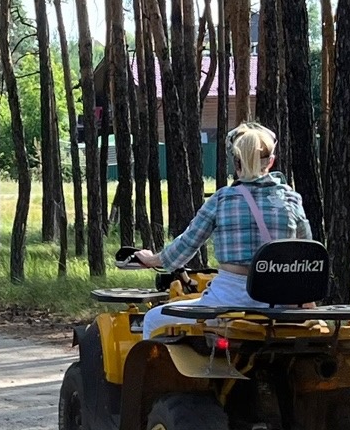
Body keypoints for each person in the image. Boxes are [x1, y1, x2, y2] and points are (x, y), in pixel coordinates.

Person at [126, 121, 311, 336]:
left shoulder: (223, 199)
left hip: (228, 299)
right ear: (271, 161)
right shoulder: (291, 199)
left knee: (152, 319)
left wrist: (151, 259)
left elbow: (185, 247)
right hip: (279, 303)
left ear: (237, 162)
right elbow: (306, 254)